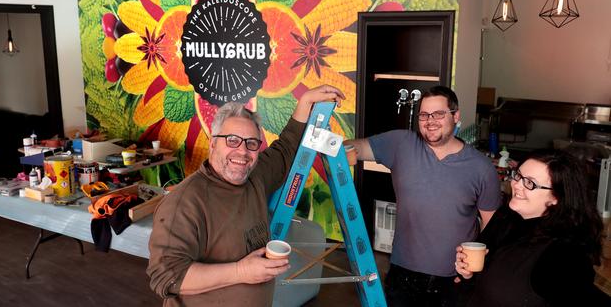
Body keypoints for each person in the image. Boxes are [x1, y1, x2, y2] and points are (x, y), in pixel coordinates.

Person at [147, 85, 345, 307]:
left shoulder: (255, 177)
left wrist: (304, 102)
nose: (242, 152)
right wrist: (240, 272)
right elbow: (167, 277)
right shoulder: (183, 203)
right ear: (213, 144)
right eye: (232, 140)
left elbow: (285, 149)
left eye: (251, 143)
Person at [347, 85, 501, 307]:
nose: (430, 121)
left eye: (439, 114)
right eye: (424, 115)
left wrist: (474, 272)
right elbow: (358, 147)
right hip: (402, 273)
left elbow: (492, 226)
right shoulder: (401, 144)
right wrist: (341, 148)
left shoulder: (481, 167)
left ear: (455, 116)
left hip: (453, 279)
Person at [454, 149, 609, 307]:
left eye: (530, 183)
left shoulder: (564, 254)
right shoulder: (506, 216)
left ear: (556, 197)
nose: (516, 185)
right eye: (518, 175)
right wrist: (467, 273)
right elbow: (479, 279)